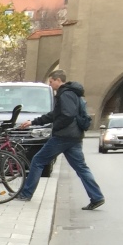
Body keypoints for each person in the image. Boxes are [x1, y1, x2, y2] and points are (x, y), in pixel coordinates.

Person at [15, 70, 105, 210]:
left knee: (38, 161)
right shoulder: (73, 93)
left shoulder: (65, 94)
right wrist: (33, 122)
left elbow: (66, 115)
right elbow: (54, 114)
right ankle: (97, 197)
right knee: (81, 168)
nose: (50, 85)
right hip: (74, 136)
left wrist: (56, 127)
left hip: (63, 136)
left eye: (51, 82)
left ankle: (26, 193)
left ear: (58, 80)